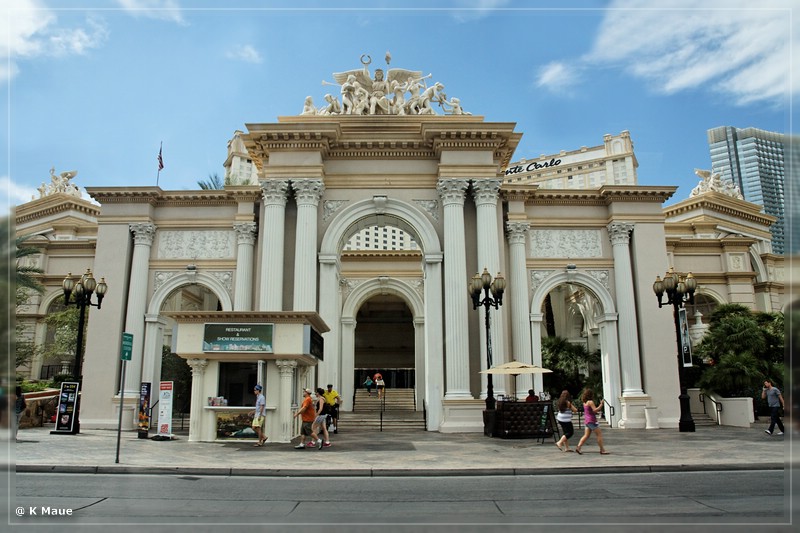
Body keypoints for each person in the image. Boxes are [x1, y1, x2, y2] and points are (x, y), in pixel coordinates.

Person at [576, 388, 609, 455]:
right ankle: (602, 450)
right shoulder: (590, 402)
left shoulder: (584, 403)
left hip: (587, 421)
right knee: (599, 435)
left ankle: (578, 447)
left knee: (586, 435)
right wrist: (601, 404)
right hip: (592, 421)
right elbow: (595, 410)